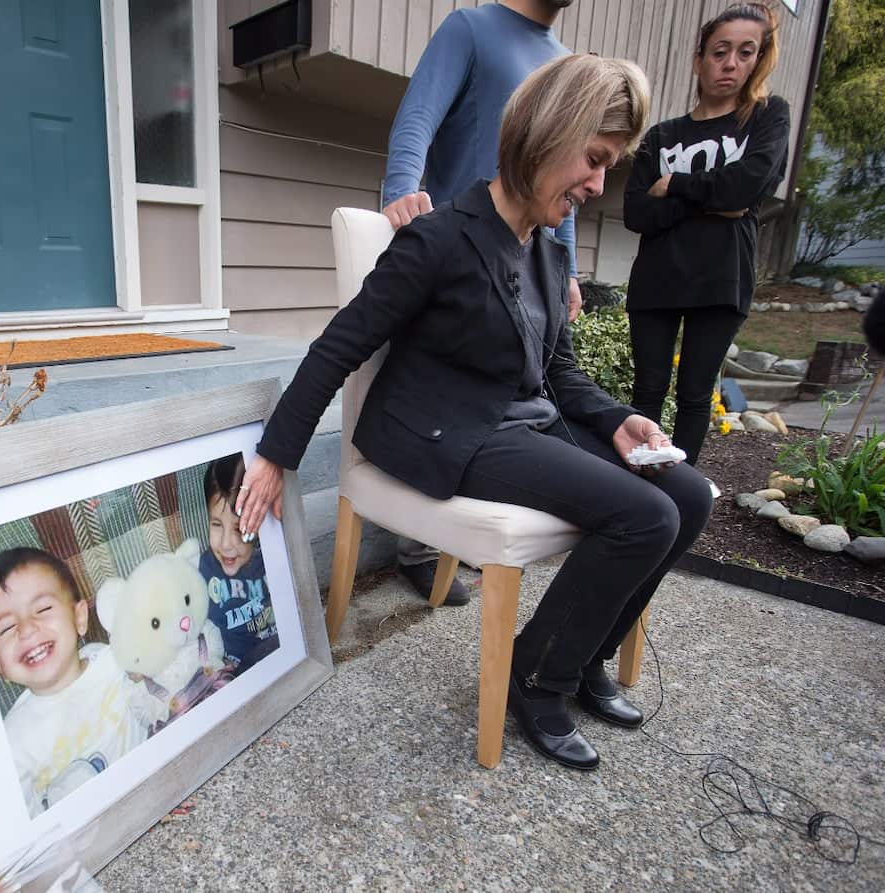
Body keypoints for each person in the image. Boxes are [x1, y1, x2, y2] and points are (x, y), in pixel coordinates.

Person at [235, 55, 714, 771]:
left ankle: (580, 657)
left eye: (608, 166)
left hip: (524, 423)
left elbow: (557, 370)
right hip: (449, 433)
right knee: (646, 515)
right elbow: (339, 345)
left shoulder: (549, 253)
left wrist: (616, 419)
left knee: (687, 493)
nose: (597, 184)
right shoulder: (439, 240)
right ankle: (536, 675)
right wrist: (278, 455)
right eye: (593, 160)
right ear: (548, 135)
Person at [381, 0, 584, 607]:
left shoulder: (566, 63)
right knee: (431, 393)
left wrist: (564, 266)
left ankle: (459, 522)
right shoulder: (471, 27)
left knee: (499, 391)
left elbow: (566, 176)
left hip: (523, 261)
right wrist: (400, 193)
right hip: (451, 252)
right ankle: (417, 544)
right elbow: (418, 116)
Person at [624, 2, 790, 467]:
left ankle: (679, 491)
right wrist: (715, 201)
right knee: (648, 390)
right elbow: (637, 212)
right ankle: (634, 483)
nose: (731, 63)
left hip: (721, 281)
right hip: (657, 281)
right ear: (700, 60)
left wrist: (674, 184)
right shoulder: (661, 135)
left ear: (759, 59)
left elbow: (746, 186)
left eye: (745, 52)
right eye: (720, 52)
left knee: (696, 394)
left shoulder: (767, 116)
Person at [0, 547, 148, 815]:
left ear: (79, 618)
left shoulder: (115, 659)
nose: (27, 629)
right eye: (7, 628)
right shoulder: (11, 745)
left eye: (42, 609)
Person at [199, 455, 279, 674]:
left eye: (238, 528)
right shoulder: (203, 571)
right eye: (216, 524)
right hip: (233, 675)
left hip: (276, 658)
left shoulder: (271, 559)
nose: (226, 545)